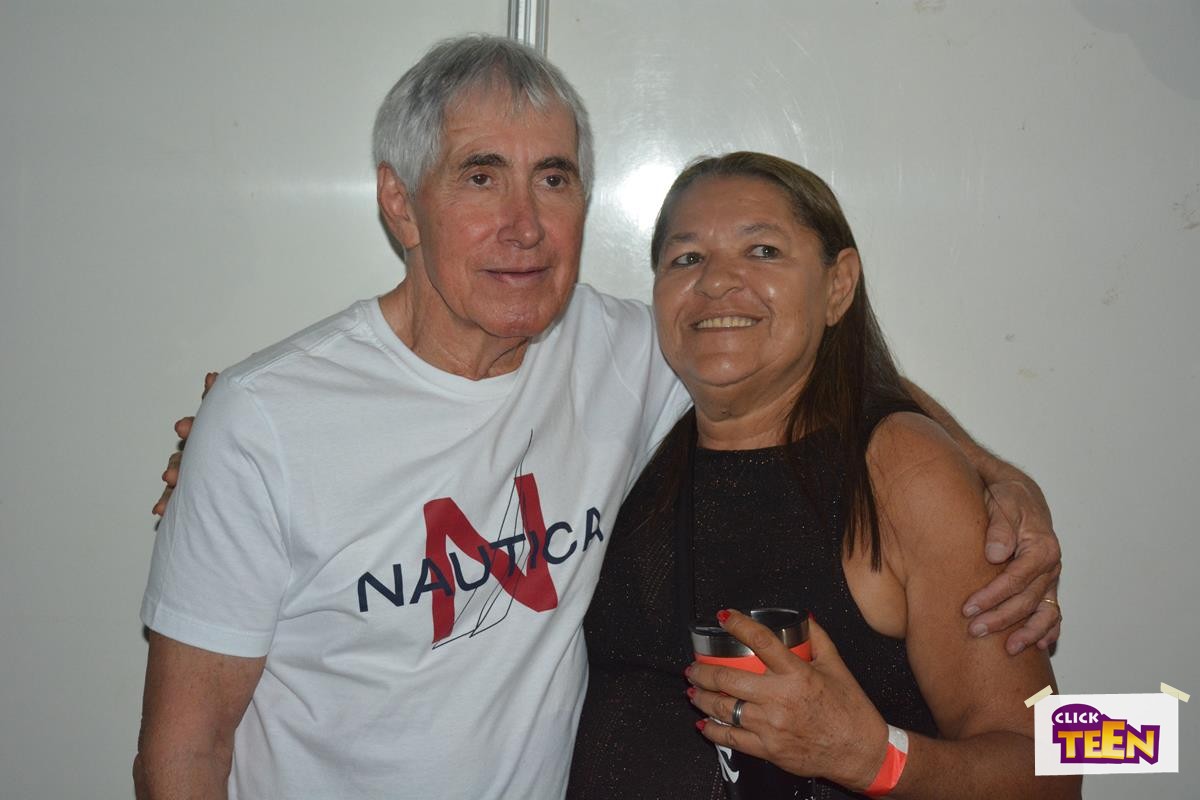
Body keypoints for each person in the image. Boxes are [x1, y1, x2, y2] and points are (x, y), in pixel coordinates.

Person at [137, 36, 1062, 800]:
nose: (524, 224)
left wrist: (991, 476)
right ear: (399, 205)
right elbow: (182, 748)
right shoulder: (272, 422)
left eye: (553, 178)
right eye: (480, 176)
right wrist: (227, 440)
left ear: (839, 284)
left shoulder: (901, 473)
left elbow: (1092, 745)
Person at [569, 153, 1078, 798]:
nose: (717, 282)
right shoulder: (630, 412)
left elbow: (1052, 770)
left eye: (763, 250)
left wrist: (874, 758)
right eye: (686, 258)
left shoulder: (898, 469)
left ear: (838, 286)